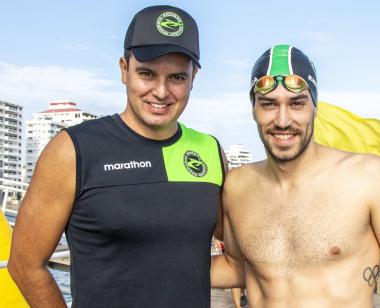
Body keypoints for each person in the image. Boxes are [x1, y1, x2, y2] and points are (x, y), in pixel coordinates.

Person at [8, 5, 225, 307]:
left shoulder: (210, 150)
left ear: (193, 77)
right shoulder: (72, 149)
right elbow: (25, 265)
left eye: (176, 77)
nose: (161, 92)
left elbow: (242, 246)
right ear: (124, 70)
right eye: (147, 74)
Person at [215, 44, 380, 307]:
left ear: (314, 108)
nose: (283, 120)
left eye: (297, 104)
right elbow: (236, 268)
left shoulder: (368, 178)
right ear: (253, 110)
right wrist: (154, 263)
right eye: (269, 104)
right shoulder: (238, 186)